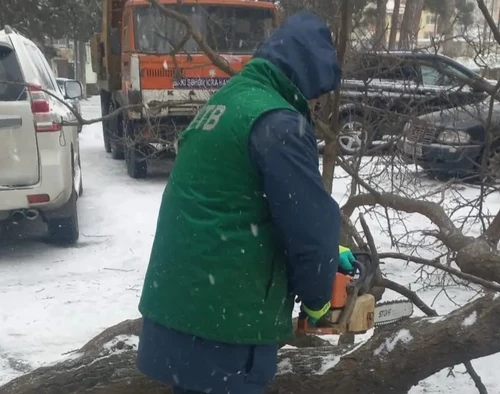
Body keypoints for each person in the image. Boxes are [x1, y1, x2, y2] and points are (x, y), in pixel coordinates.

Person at [136, 12, 354, 394]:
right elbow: (310, 225)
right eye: (314, 94)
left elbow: (231, 203)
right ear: (301, 77)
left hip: (179, 312)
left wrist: (329, 255)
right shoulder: (280, 123)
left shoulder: (226, 101)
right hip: (227, 331)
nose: (315, 105)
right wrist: (319, 298)